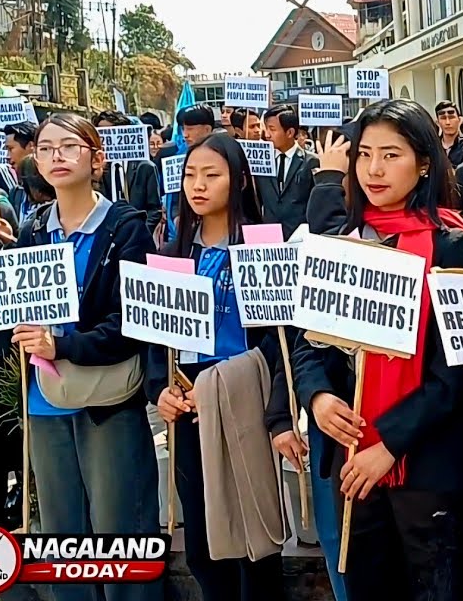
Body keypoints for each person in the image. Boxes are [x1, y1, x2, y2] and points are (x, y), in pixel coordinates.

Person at [292, 99, 463, 601]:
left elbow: (457, 373)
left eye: (391, 155)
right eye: (364, 155)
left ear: (424, 162)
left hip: (428, 468)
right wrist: (317, 398)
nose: (374, 169)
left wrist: (390, 445)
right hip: (354, 464)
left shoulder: (451, 244)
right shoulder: (342, 240)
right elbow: (307, 343)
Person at [14, 113, 161, 601]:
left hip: (106, 398)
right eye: (45, 148)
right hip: (44, 399)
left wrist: (65, 345)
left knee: (120, 529)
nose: (56, 156)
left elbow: (133, 323)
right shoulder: (32, 229)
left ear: (95, 158)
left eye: (68, 147)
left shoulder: (125, 229)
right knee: (59, 533)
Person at [149, 133, 289, 601]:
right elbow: (157, 340)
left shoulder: (264, 245)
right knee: (205, 538)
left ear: (241, 180)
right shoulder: (173, 254)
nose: (198, 185)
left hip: (247, 400)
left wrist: (245, 388)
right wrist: (162, 390)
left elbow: (280, 339)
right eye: (190, 175)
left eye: (212, 174)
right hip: (190, 407)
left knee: (254, 530)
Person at [94, 111, 163, 237]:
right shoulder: (95, 170)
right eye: (101, 134)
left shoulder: (145, 167)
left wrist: (141, 233)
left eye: (111, 132)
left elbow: (154, 209)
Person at [258, 104, 319, 239]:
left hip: (300, 237)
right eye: (266, 129)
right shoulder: (260, 161)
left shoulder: (311, 161)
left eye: (272, 129)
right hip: (268, 238)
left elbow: (316, 205)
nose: (267, 135)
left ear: (290, 132)